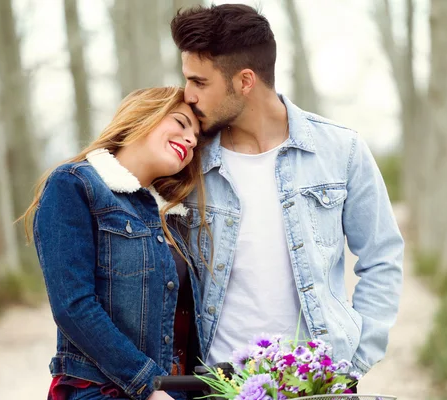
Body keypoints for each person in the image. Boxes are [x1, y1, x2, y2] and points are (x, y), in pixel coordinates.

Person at [170, 4, 404, 385]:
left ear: (245, 81)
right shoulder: (187, 160)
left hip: (316, 383)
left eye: (200, 82)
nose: (188, 94)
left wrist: (352, 363)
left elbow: (382, 256)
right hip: (215, 383)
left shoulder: (340, 149)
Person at [20, 87, 210, 400]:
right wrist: (149, 386)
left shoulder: (174, 217)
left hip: (173, 392)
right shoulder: (75, 183)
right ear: (143, 116)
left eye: (197, 138)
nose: (191, 140)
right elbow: (73, 306)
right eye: (180, 123)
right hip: (104, 391)